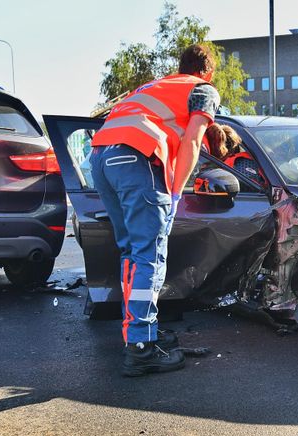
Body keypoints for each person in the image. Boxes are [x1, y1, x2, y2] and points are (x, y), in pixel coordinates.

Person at [89, 43, 221, 376]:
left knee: (132, 253)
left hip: (102, 157)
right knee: (149, 256)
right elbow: (192, 140)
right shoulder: (202, 89)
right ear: (208, 72)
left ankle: (140, 333)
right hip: (138, 157)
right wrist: (176, 191)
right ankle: (142, 349)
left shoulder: (156, 86)